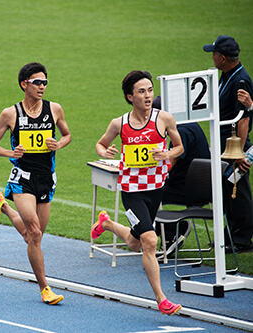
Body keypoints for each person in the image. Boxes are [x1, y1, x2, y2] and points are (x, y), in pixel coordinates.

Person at [93, 70, 184, 316]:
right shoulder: (119, 124)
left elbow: (179, 147)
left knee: (135, 243)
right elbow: (100, 144)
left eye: (150, 90)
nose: (147, 96)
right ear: (129, 97)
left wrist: (168, 154)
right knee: (151, 241)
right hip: (132, 191)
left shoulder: (164, 119)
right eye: (141, 91)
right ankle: (162, 299)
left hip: (156, 189)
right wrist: (105, 152)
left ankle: (108, 224)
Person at [0, 62, 71, 305]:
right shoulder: (10, 114)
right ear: (25, 84)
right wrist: (10, 153)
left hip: (46, 180)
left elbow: (67, 135)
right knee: (34, 232)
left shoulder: (54, 109)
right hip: (22, 179)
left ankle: (2, 206)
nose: (42, 87)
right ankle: (45, 289)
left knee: (32, 236)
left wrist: (59, 144)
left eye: (45, 82)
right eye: (37, 82)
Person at [203, 35, 253, 253]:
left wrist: (239, 152)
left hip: (234, 147)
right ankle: (231, 234)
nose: (211, 56)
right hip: (225, 145)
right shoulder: (226, 75)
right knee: (227, 190)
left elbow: (243, 118)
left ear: (222, 58)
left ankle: (242, 239)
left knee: (238, 191)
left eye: (214, 53)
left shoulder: (241, 80)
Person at [152, 96, 211, 256]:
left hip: (191, 190)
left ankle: (173, 231)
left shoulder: (181, 131)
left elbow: (168, 165)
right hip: (199, 185)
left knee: (145, 193)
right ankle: (163, 232)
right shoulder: (187, 124)